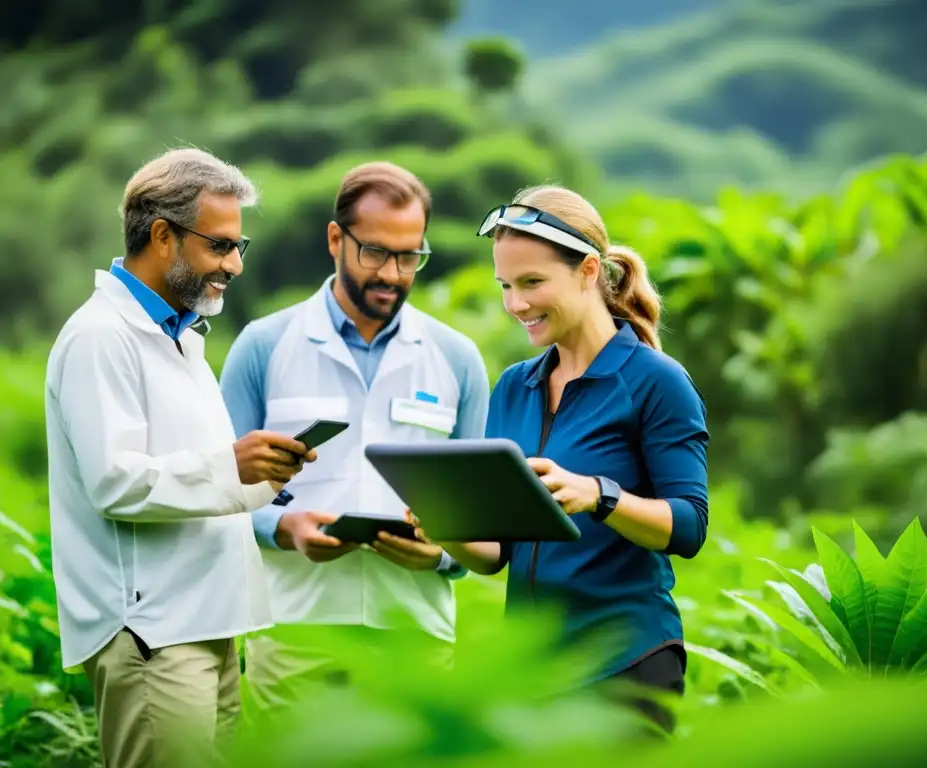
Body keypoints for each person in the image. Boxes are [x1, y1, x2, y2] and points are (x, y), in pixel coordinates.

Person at [43, 147, 316, 768]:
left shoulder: (182, 337)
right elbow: (114, 483)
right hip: (151, 633)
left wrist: (264, 471)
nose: (234, 265)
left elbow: (206, 477)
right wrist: (233, 466)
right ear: (163, 236)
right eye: (220, 246)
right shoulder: (99, 338)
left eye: (238, 247)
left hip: (207, 624)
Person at [428, 185, 710, 736]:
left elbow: (690, 526)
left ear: (586, 270)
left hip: (625, 664)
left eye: (532, 283)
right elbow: (496, 553)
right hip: (533, 675)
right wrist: (445, 525)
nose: (516, 304)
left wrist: (600, 496)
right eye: (506, 286)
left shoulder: (655, 382)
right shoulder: (514, 387)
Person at [218, 161, 490, 709]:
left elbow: (482, 520)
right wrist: (284, 527)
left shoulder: (458, 360)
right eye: (375, 252)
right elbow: (218, 494)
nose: (392, 273)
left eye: (410, 255)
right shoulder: (263, 346)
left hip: (415, 635)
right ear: (336, 240)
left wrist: (438, 554)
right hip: (297, 631)